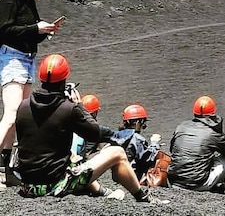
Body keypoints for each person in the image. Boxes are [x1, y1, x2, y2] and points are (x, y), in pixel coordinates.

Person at [15, 53, 168, 204]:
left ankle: (104, 192)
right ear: (64, 80)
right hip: (54, 186)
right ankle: (143, 198)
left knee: (75, 160)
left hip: (27, 185)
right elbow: (94, 134)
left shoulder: (23, 106)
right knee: (118, 153)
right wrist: (79, 105)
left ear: (41, 79)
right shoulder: (68, 109)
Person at [0, 0, 62, 187]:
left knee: (19, 116)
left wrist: (45, 32)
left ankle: (5, 171)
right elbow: (3, 30)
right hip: (12, 57)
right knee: (13, 112)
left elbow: (25, 33)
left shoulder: (28, 0)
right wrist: (36, 28)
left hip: (26, 59)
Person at [168, 95, 225, 195]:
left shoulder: (181, 127)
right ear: (213, 114)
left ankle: (214, 185)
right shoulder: (212, 133)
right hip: (195, 184)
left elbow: (172, 149)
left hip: (174, 182)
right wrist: (221, 139)